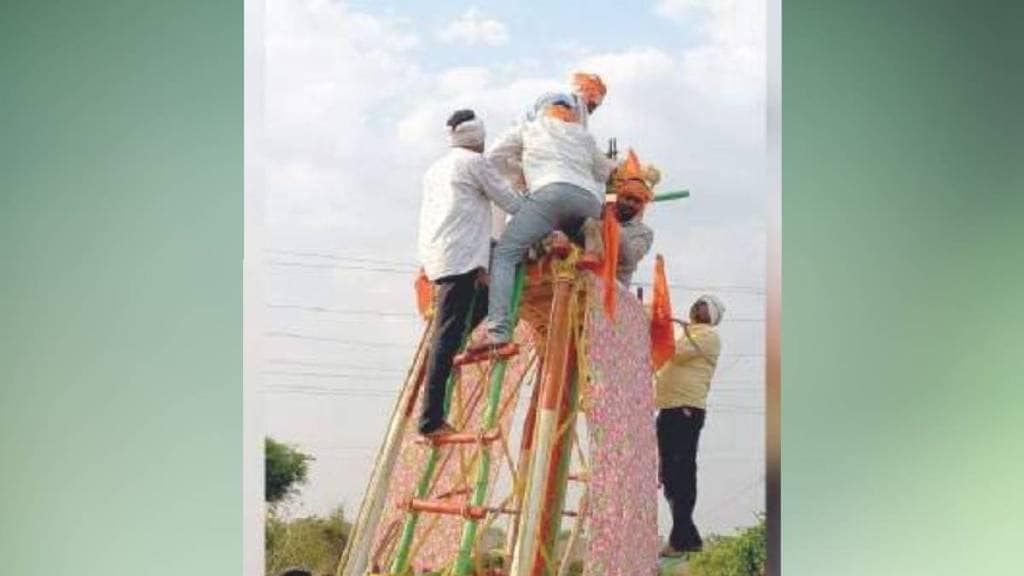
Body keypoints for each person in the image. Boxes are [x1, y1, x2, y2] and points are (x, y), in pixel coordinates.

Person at [476, 73, 616, 348]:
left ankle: (498, 332)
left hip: (550, 194)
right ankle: (586, 230)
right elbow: (605, 172)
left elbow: (491, 158)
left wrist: (521, 171)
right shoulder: (583, 135)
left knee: (505, 255)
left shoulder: (529, 128)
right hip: (588, 201)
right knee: (557, 224)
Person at [416, 109, 524, 437]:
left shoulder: (437, 168)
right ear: (478, 139)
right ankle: (431, 420)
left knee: (486, 298)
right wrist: (543, 216)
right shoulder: (474, 163)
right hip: (460, 255)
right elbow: (508, 200)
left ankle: (464, 343)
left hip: (443, 253)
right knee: (445, 337)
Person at [654, 295, 726, 557]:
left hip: (684, 409)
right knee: (671, 475)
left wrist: (658, 327)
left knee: (681, 471)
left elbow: (671, 352)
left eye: (705, 305)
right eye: (697, 302)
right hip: (671, 407)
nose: (698, 305)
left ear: (713, 316)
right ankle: (684, 537)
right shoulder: (688, 334)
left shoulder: (708, 336)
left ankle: (685, 538)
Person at [610, 152, 659, 286]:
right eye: (627, 198)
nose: (631, 204)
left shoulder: (644, 233)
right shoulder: (600, 214)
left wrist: (611, 227)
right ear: (618, 197)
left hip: (615, 289)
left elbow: (630, 259)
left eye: (637, 201)